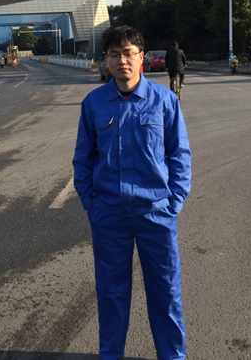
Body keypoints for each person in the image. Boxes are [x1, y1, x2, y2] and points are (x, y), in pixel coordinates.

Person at [73, 26, 191, 360]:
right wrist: (92, 206)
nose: (121, 60)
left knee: (165, 292)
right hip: (110, 215)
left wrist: (173, 202)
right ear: (106, 61)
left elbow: (179, 154)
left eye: (128, 53)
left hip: (156, 214)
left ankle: (172, 355)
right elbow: (83, 159)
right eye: (114, 54)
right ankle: (111, 354)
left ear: (142, 58)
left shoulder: (164, 101)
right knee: (111, 293)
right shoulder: (94, 103)